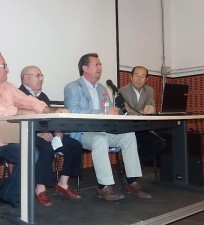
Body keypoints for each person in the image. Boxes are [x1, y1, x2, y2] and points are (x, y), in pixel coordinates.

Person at [0, 50, 67, 213]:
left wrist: (49, 109)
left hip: (3, 140)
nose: (7, 69)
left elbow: (29, 101)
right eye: (4, 65)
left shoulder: (7, 87)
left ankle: (7, 196)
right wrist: (19, 111)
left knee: (32, 154)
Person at [64, 53, 152, 201]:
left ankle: (132, 181)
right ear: (85, 68)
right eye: (96, 64)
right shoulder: (72, 87)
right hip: (82, 132)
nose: (100, 67)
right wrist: (101, 112)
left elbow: (109, 110)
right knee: (99, 139)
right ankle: (103, 186)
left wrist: (116, 111)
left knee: (129, 135)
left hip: (103, 130)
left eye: (100, 64)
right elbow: (73, 111)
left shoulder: (102, 88)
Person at [19, 65, 82, 206]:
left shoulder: (43, 96)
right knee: (46, 147)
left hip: (48, 133)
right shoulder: (18, 95)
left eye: (42, 76)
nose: (41, 79)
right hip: (28, 133)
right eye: (38, 75)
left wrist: (58, 130)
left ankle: (63, 183)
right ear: (26, 78)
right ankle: (40, 189)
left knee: (75, 145)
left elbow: (50, 118)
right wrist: (40, 132)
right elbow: (17, 120)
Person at [118, 66, 166, 167]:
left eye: (142, 76)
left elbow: (151, 110)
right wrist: (142, 111)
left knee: (160, 143)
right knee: (135, 143)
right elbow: (127, 114)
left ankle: (133, 166)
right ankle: (132, 168)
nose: (139, 79)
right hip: (128, 128)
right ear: (131, 77)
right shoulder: (123, 91)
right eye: (136, 75)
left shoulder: (149, 90)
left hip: (144, 128)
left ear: (146, 79)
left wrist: (146, 111)